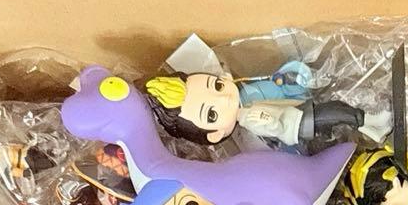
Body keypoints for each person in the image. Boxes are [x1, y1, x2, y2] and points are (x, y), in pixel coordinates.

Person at [145, 67, 390, 149]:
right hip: (298, 124)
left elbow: (278, 96)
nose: (225, 99)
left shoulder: (247, 98)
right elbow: (274, 126)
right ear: (215, 134)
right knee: (336, 112)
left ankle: (372, 128)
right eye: (212, 113)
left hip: (299, 112)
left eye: (217, 86)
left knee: (336, 113)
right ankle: (371, 121)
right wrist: (265, 119)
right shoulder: (249, 120)